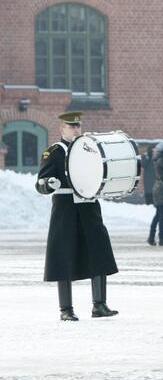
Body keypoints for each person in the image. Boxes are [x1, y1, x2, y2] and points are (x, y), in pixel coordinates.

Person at [36, 111, 119, 321]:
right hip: (66, 208)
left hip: (89, 207)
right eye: (71, 126)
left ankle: (99, 305)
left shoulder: (89, 148)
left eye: (77, 126)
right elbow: (41, 182)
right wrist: (48, 184)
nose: (75, 129)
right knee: (63, 256)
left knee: (98, 252)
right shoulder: (54, 152)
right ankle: (66, 309)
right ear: (61, 129)